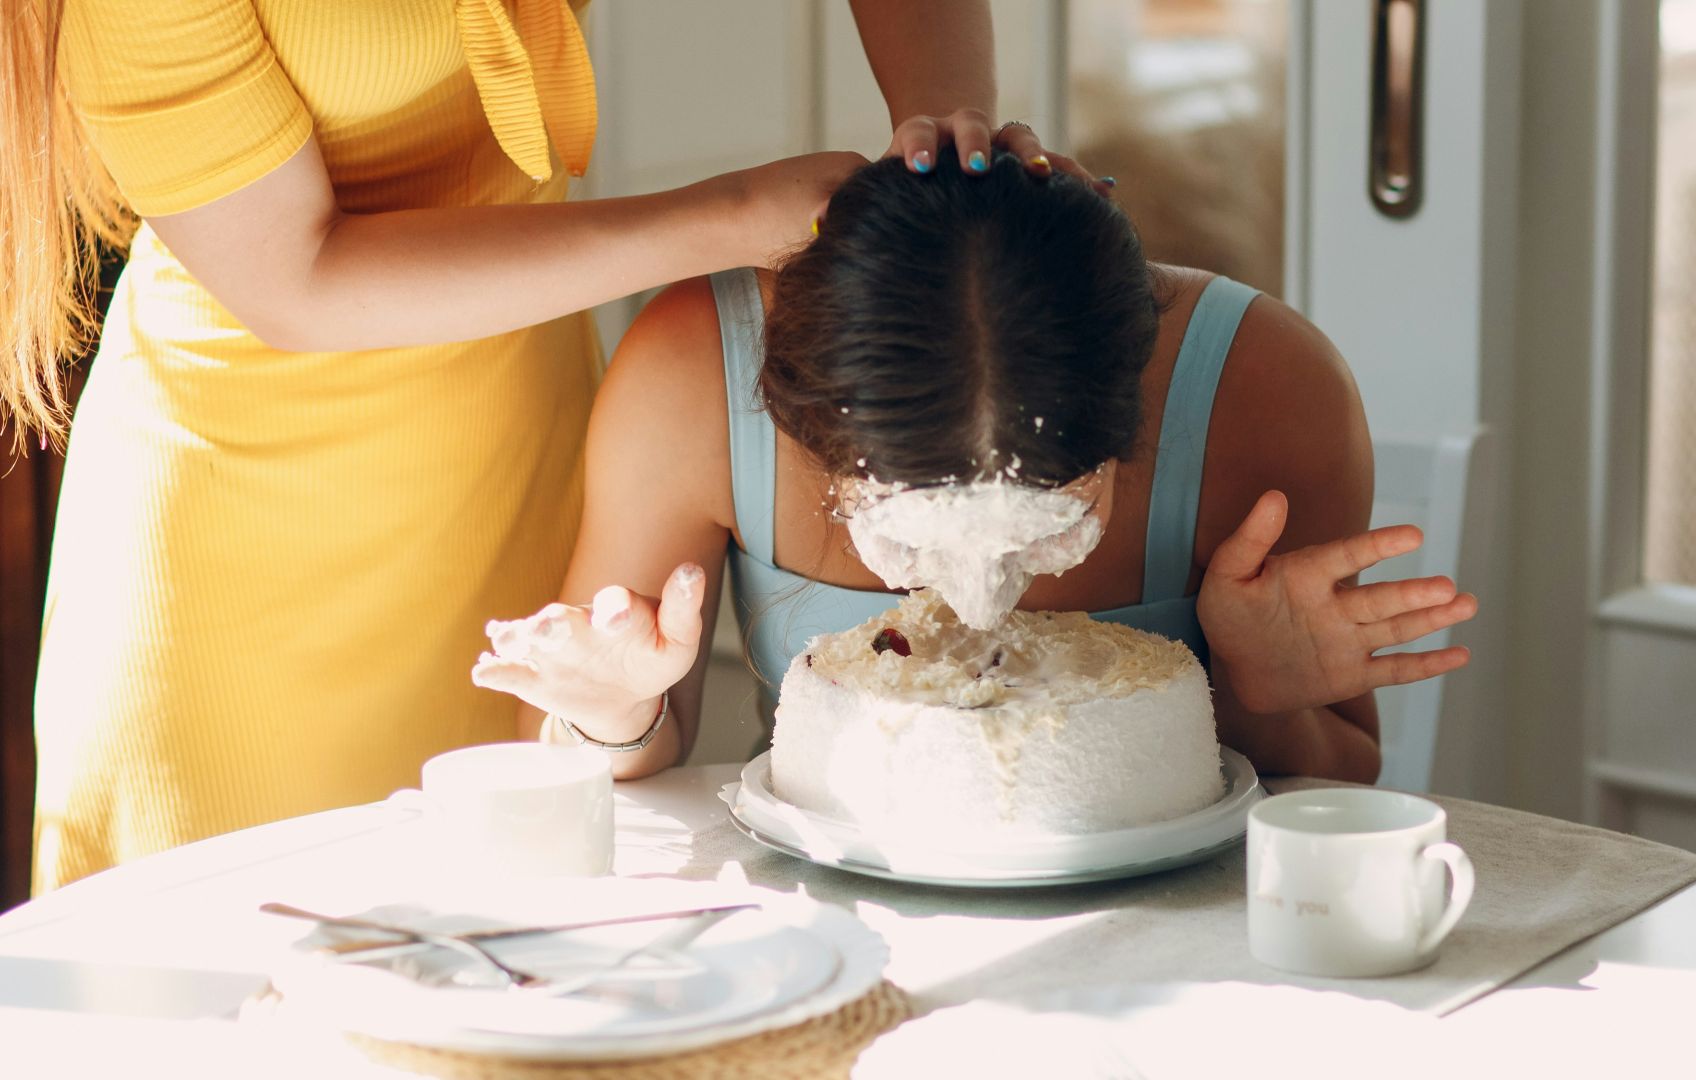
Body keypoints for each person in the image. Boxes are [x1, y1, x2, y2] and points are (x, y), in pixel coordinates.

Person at [10, 0, 1089, 892]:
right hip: (248, 543)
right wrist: (731, 218)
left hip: (524, 446)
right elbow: (291, 280)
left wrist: (946, 132)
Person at [472, 149, 1479, 783]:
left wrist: (1269, 697)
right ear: (796, 417)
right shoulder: (690, 372)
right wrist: (610, 710)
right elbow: (580, 763)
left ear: (1140, 404)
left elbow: (1344, 785)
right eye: (908, 540)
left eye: (1048, 529)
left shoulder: (1270, 388)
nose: (982, 600)